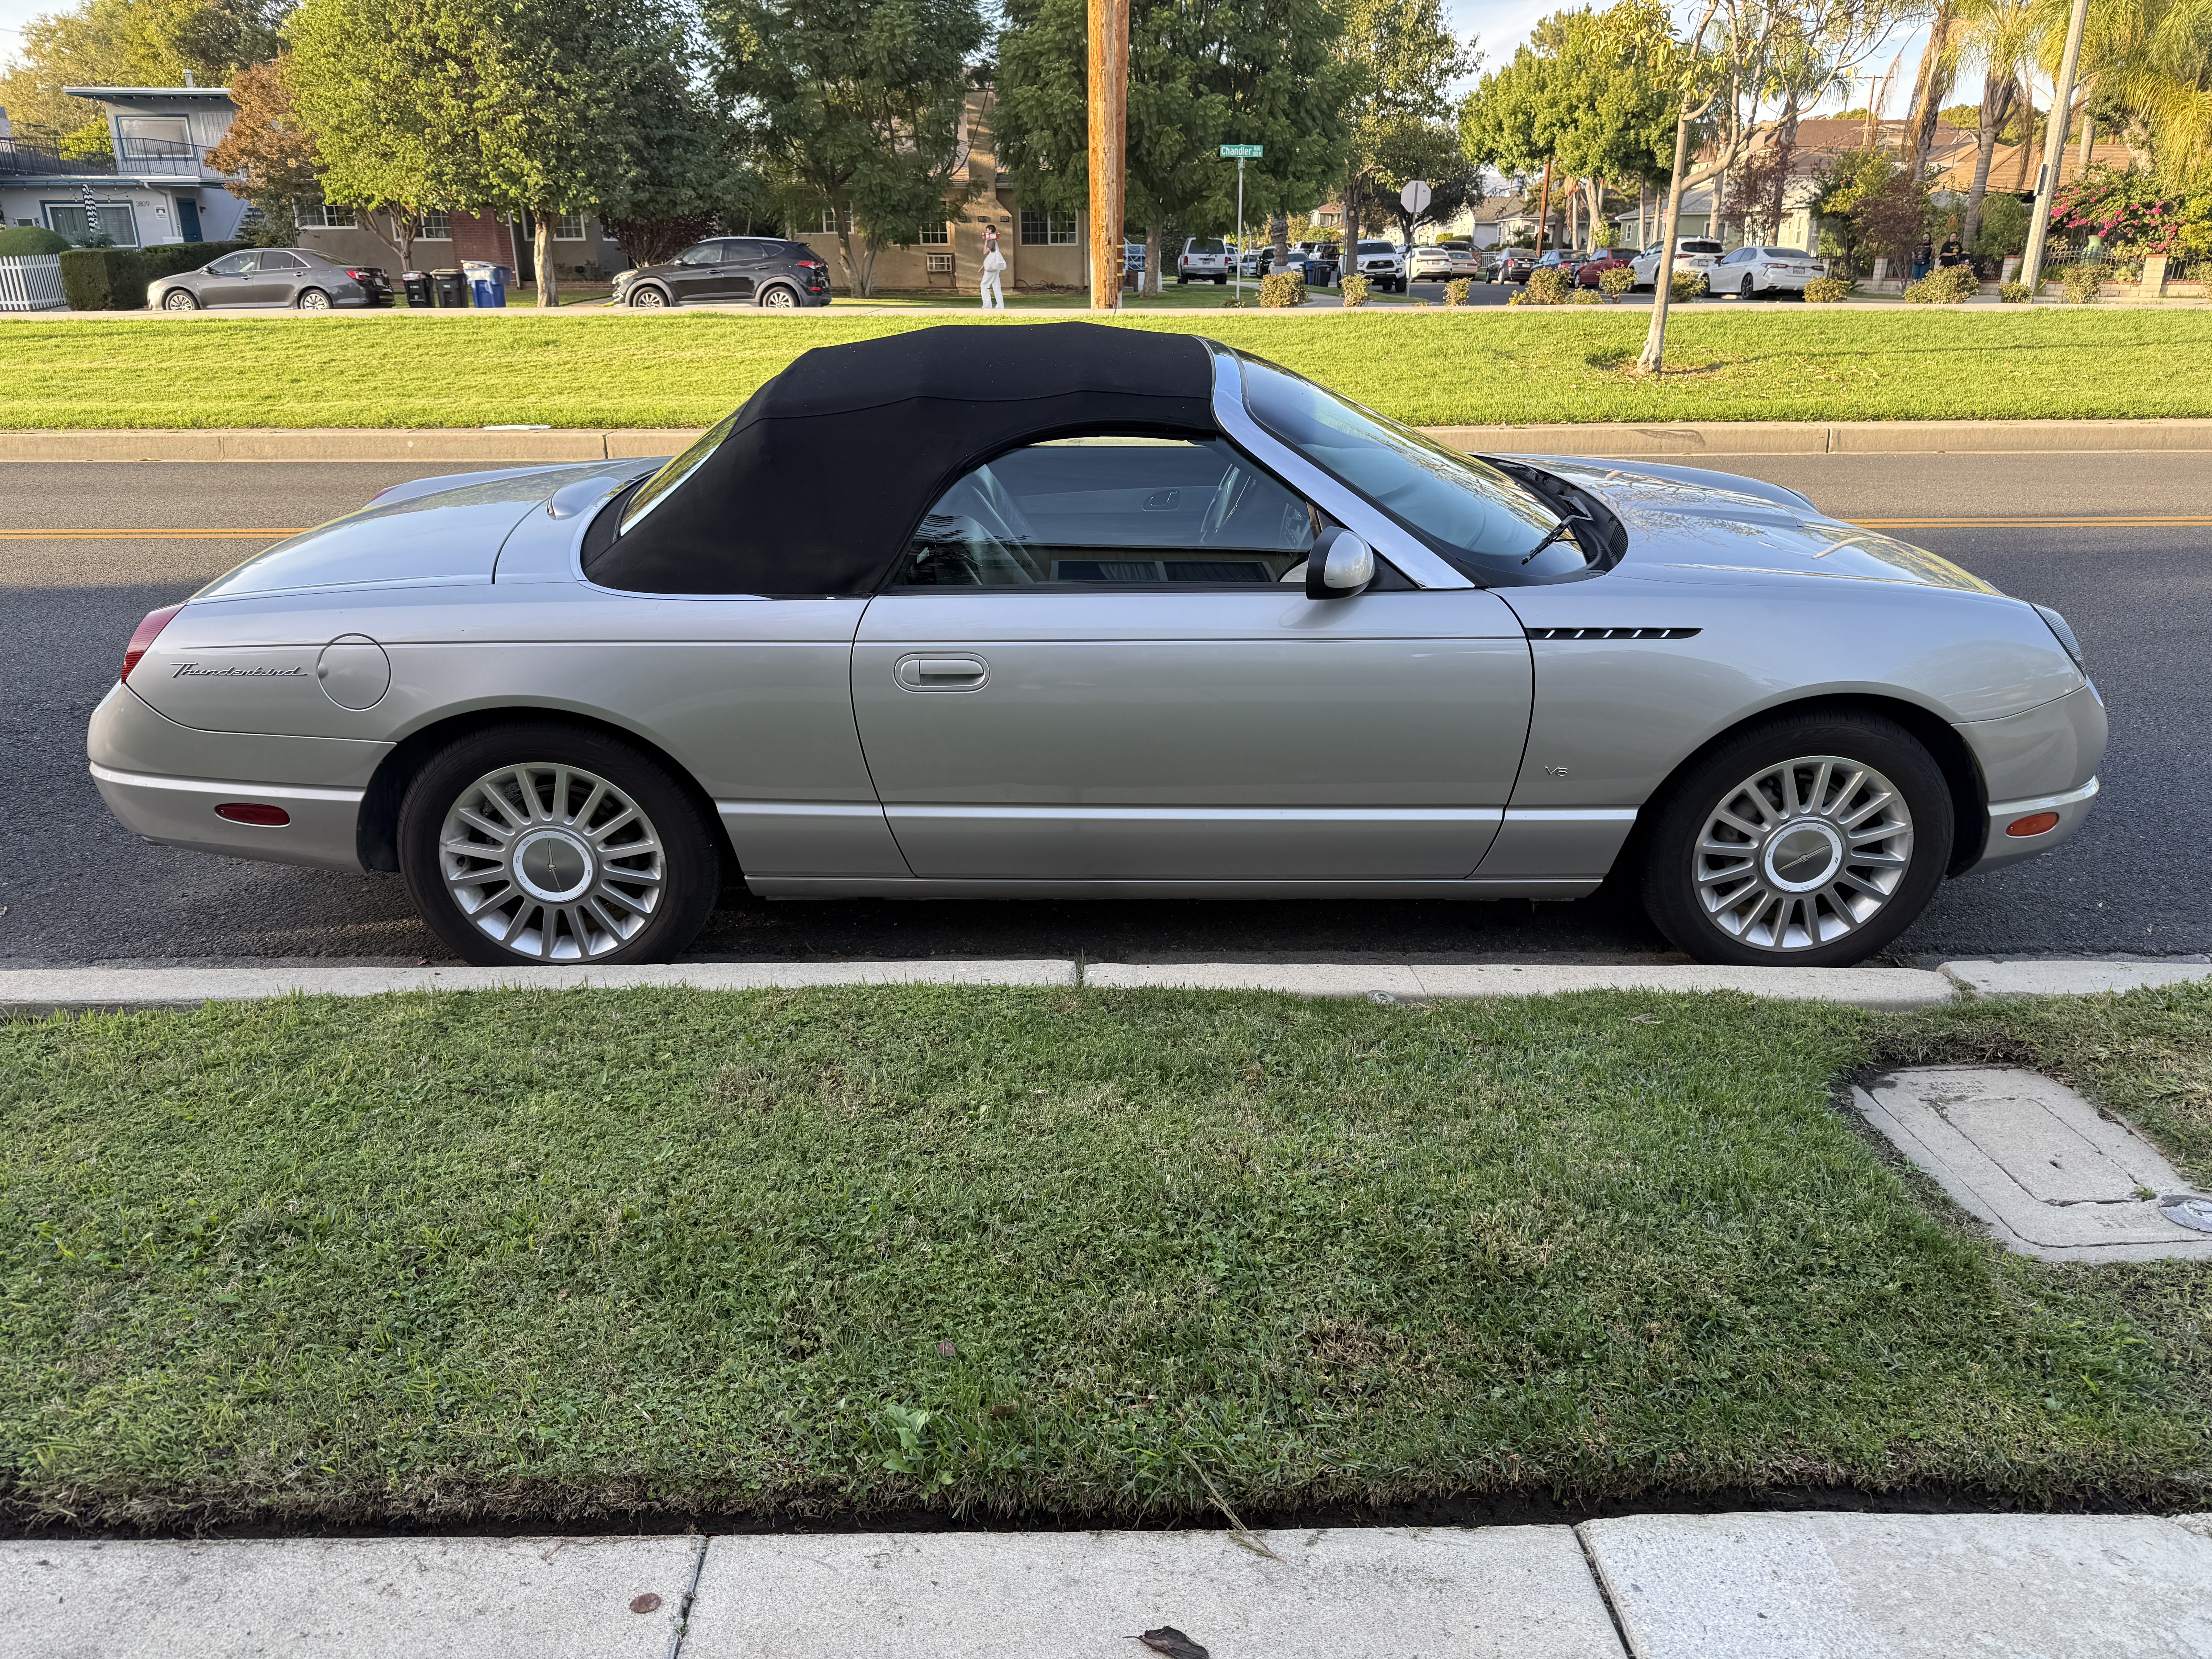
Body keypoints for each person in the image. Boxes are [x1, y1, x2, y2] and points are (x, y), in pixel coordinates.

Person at [979, 229, 1006, 310]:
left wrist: (986, 241)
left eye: (987, 230)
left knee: (984, 286)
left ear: (990, 231)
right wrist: (982, 268)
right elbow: (991, 256)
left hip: (991, 269)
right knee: (996, 286)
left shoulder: (992, 241)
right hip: (995, 268)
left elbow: (985, 252)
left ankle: (987, 306)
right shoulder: (996, 242)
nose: (986, 232)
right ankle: (1000, 306)